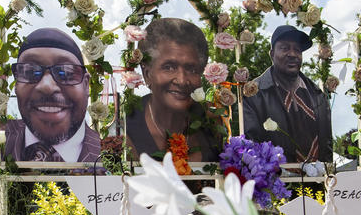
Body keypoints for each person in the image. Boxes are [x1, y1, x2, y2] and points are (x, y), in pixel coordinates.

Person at [125, 17, 221, 161]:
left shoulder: (211, 122)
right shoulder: (127, 126)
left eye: (191, 69)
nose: (182, 80)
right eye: (169, 67)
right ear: (147, 74)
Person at [3, 27, 100, 164]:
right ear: (16, 82)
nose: (47, 86)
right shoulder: (0, 146)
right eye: (30, 71)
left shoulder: (110, 151)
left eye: (66, 73)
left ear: (86, 85)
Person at [243, 25, 332, 164]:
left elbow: (327, 147)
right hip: (275, 182)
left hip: (317, 182)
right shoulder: (254, 94)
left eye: (297, 50)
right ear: (272, 54)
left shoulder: (318, 96)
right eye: (285, 48)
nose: (292, 54)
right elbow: (251, 145)